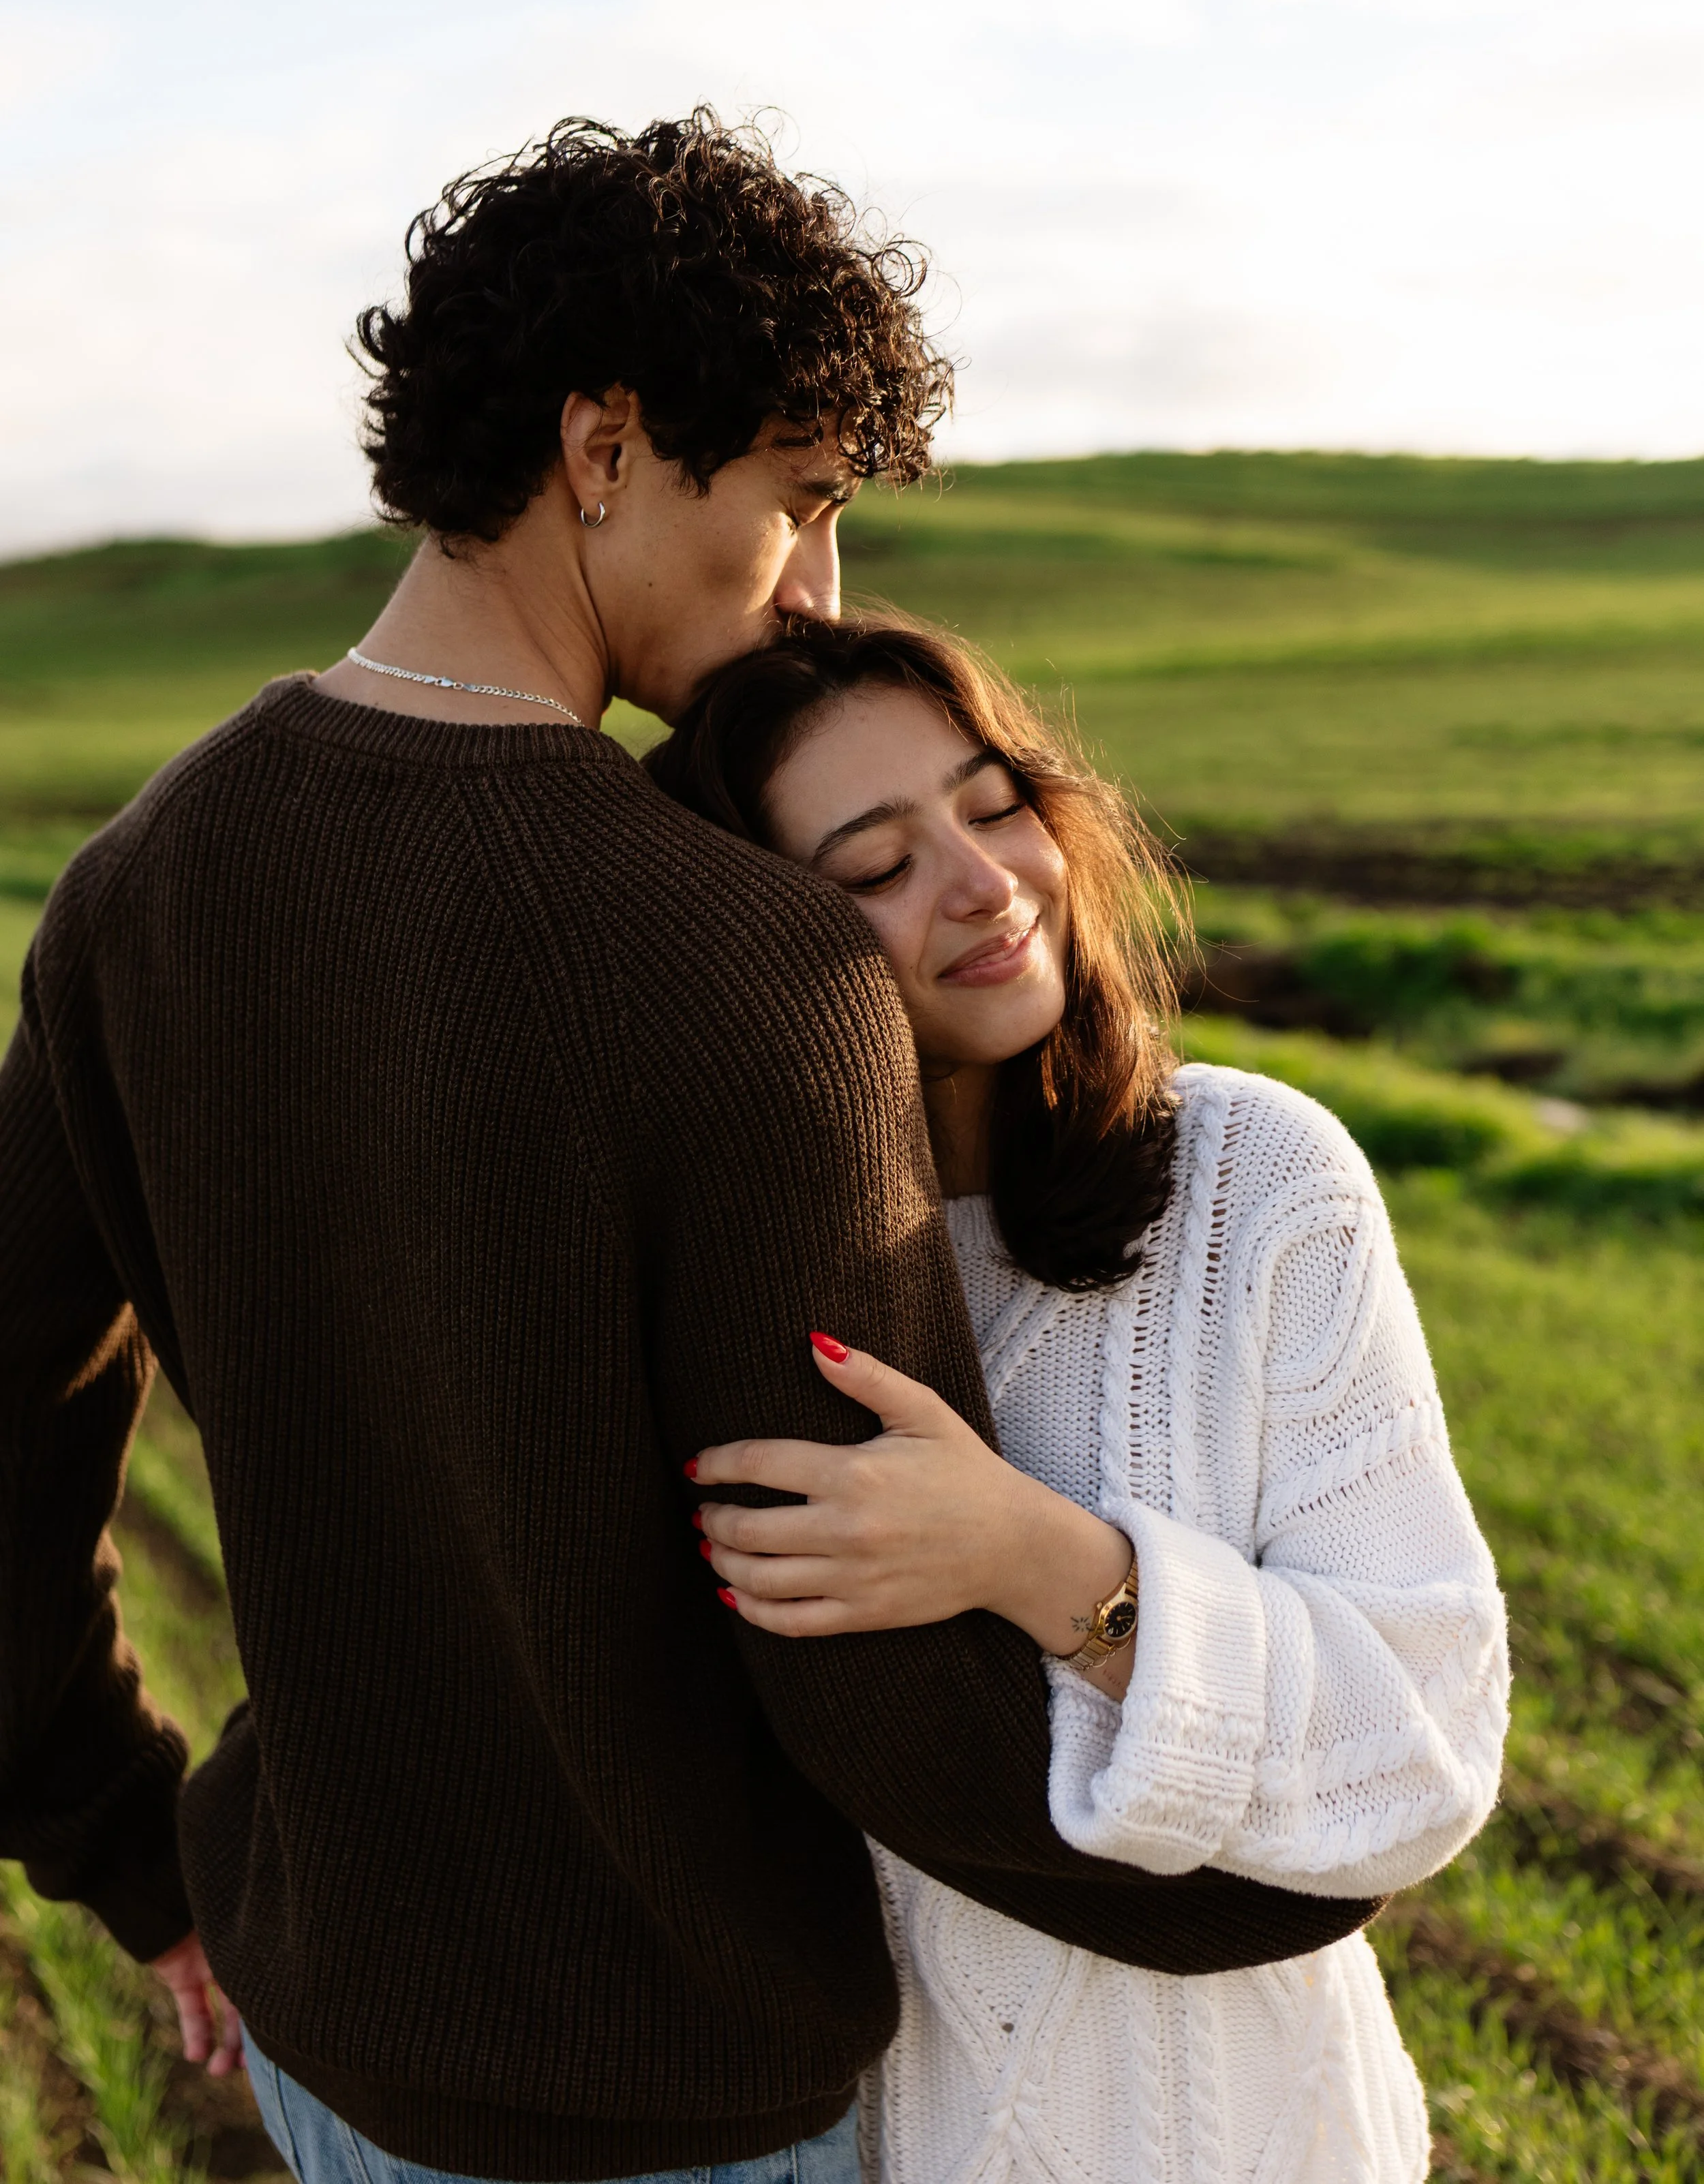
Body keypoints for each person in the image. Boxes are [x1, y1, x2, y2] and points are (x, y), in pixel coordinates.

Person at [0, 114, 1379, 2184]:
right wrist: (1283, 1866)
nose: (819, 587)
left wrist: (131, 1843)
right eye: (801, 500)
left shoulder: (135, 879)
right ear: (601, 442)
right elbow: (857, 1644)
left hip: (324, 2035)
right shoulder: (743, 962)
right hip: (664, 2104)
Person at [645, 613, 1510, 2184]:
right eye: (872, 869)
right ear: (756, 942)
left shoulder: (1257, 1183)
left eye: (990, 807)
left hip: (1235, 2136)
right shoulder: (720, 1283)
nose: (982, 885)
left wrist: (1040, 1564)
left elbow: (1421, 1747)